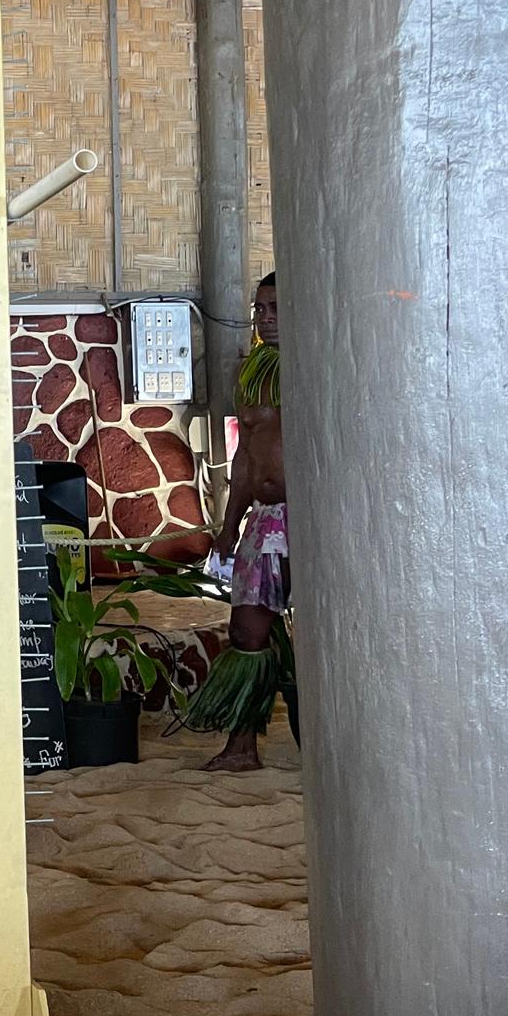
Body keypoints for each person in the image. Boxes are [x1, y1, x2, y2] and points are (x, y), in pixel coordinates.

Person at [183, 272, 287, 772]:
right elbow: (244, 457)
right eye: (259, 310)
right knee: (247, 633)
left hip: (313, 522)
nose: (266, 319)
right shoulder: (253, 374)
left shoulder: (318, 366)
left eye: (276, 309)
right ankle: (242, 747)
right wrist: (229, 523)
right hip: (265, 521)